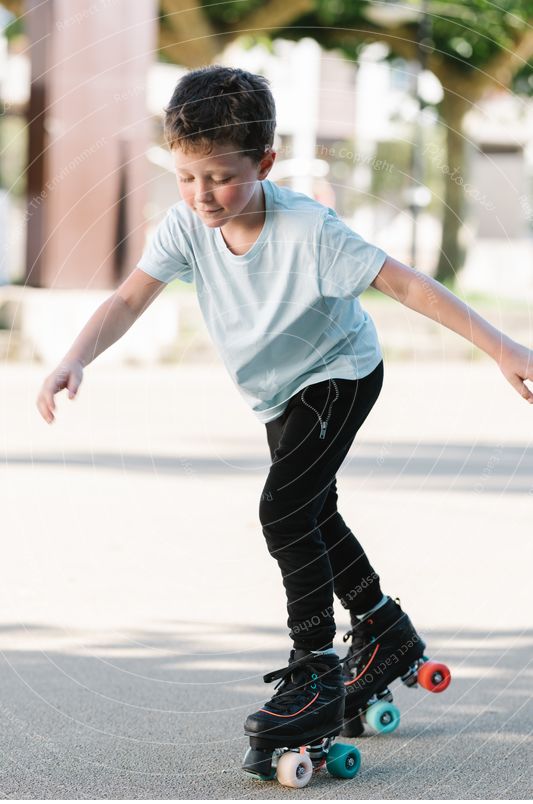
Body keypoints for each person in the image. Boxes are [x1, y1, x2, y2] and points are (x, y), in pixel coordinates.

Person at [36, 66, 533, 764]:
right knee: (312, 510)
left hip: (338, 375)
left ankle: (315, 670)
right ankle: (383, 628)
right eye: (186, 177)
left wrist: (502, 346)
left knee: (282, 509)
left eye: (219, 176)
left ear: (264, 162)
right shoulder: (186, 226)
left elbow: (404, 284)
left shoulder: (309, 230)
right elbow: (127, 299)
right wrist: (76, 354)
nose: (202, 195)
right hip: (277, 393)